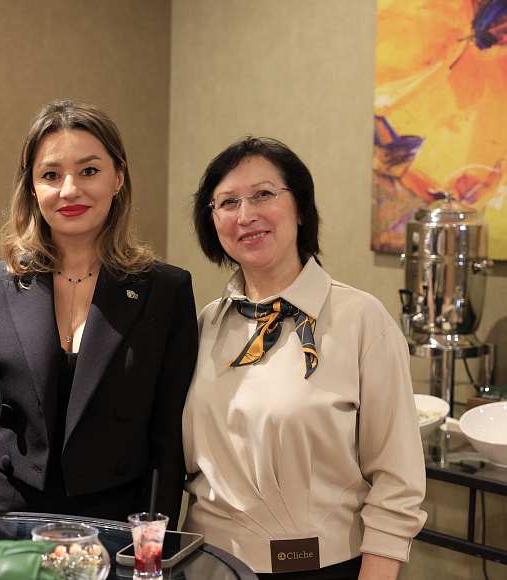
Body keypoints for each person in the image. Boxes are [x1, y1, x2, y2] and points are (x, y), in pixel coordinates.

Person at [0, 100, 198, 526]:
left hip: (114, 526)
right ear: (32, 188)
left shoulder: (166, 290)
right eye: (51, 175)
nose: (69, 190)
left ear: (119, 178)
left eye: (89, 170)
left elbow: (168, 439)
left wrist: (151, 541)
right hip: (7, 524)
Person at [183, 137, 426, 579]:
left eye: (263, 194)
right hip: (204, 565)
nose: (245, 215)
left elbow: (398, 481)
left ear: (300, 208)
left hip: (318, 567)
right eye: (228, 202)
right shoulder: (206, 324)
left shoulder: (361, 320)